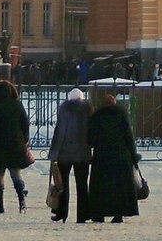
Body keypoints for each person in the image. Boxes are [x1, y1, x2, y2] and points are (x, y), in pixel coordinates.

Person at [86, 89, 140, 226]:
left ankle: (99, 213)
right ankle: (118, 213)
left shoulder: (96, 116)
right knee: (119, 187)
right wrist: (134, 156)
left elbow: (90, 139)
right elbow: (129, 137)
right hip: (120, 155)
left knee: (101, 186)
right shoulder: (122, 115)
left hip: (102, 156)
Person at [0, 77, 31, 213]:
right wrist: (25, 139)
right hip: (17, 142)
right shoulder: (18, 105)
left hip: (0, 142)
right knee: (16, 174)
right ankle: (21, 201)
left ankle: (0, 205)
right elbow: (25, 124)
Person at [47, 85, 92, 223]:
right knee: (82, 186)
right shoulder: (88, 112)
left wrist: (54, 153)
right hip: (83, 154)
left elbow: (60, 133)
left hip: (64, 154)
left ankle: (62, 213)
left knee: (62, 185)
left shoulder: (64, 111)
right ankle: (82, 215)